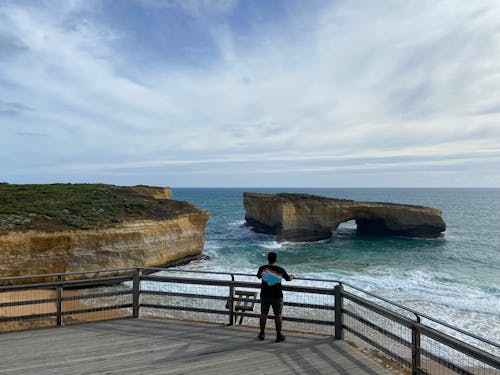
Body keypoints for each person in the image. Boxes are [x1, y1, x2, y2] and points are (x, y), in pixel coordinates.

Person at [256, 251, 294, 342]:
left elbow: (258, 276)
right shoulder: (280, 269)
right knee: (278, 315)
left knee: (263, 314)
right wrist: (292, 276)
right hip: (277, 295)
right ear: (276, 259)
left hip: (265, 294)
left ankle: (262, 334)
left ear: (267, 259)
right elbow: (288, 279)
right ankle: (278, 335)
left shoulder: (263, 268)